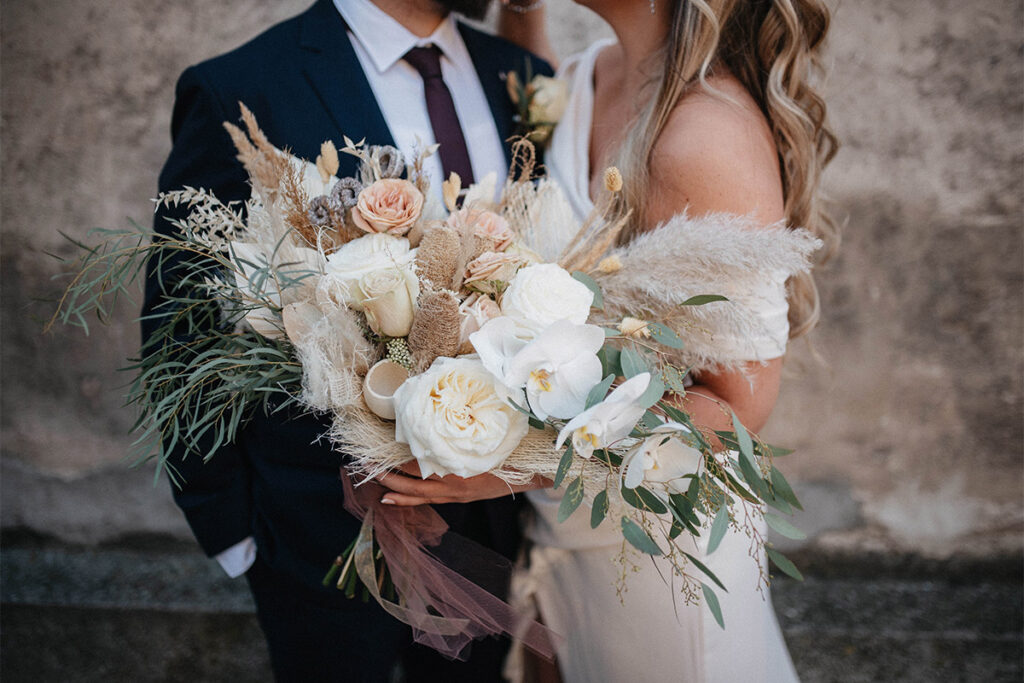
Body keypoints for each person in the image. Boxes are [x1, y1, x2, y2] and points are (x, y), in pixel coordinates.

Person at [382, 0, 838, 680]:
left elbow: (739, 406)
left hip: (657, 551)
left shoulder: (703, 137)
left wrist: (508, 461)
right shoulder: (592, 74)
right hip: (565, 529)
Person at [144, 1, 552, 680]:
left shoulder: (522, 79)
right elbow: (180, 324)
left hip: (495, 528)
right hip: (318, 542)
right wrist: (234, 533)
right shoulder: (244, 86)